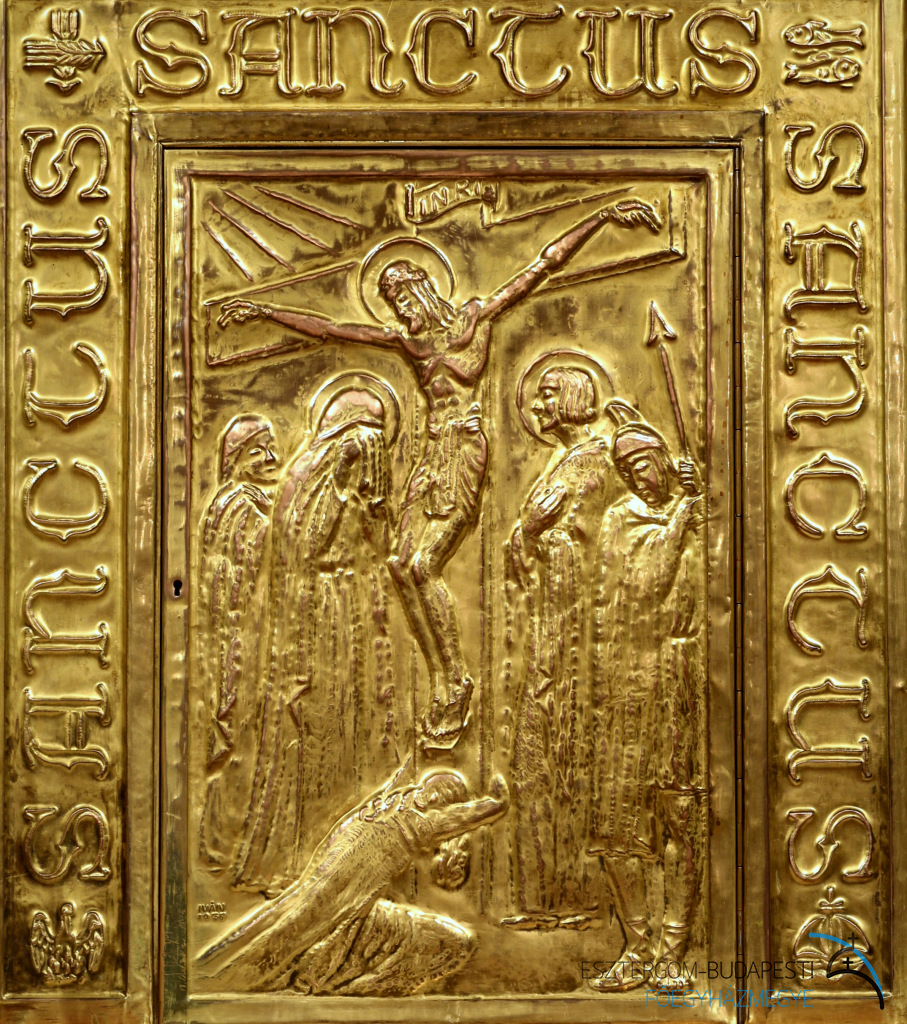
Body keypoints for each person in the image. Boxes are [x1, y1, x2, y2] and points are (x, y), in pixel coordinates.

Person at [219, 199, 661, 751]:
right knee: (400, 565)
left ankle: (457, 680)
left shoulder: (475, 318)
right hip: (432, 452)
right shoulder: (409, 343)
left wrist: (604, 217)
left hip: (464, 451)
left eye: (403, 298)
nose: (399, 311)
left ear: (424, 289)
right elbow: (332, 328)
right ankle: (443, 680)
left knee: (424, 564)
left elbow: (542, 266)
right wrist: (262, 311)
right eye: (392, 304)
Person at [232, 388, 401, 895]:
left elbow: (380, 544)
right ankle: (300, 863)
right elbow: (305, 544)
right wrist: (345, 488)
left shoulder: (353, 477)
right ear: (343, 435)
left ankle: (346, 862)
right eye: (364, 440)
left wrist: (372, 505)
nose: (374, 452)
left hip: (350, 614)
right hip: (318, 618)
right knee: (318, 730)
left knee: (350, 731)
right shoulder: (309, 476)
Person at [198, 769, 510, 995]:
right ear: (439, 799)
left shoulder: (382, 807)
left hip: (332, 882)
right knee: (308, 925)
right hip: (346, 887)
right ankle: (246, 976)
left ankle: (224, 969)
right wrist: (496, 805)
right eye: (444, 799)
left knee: (290, 920)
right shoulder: (415, 820)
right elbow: (459, 818)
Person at [587, 403, 706, 992]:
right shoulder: (621, 520)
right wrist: (684, 514)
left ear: (664, 460)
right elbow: (646, 582)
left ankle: (674, 951)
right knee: (618, 827)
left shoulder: (701, 514)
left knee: (682, 816)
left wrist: (699, 508)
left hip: (681, 683)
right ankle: (636, 946)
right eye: (629, 473)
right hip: (629, 685)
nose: (641, 480)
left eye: (647, 467)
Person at [503, 365, 619, 929]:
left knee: (569, 759)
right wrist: (527, 532)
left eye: (548, 394)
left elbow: (591, 548)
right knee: (535, 759)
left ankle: (575, 897)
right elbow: (527, 543)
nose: (538, 406)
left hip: (578, 642)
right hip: (546, 634)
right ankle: (539, 899)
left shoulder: (597, 464)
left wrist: (534, 534)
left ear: (573, 398)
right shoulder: (562, 461)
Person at [198, 414, 280, 872]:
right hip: (242, 642)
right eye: (258, 451)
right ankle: (222, 846)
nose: (272, 458)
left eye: (271, 448)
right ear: (235, 460)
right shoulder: (240, 507)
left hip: (244, 638)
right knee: (240, 743)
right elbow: (249, 571)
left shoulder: (244, 503)